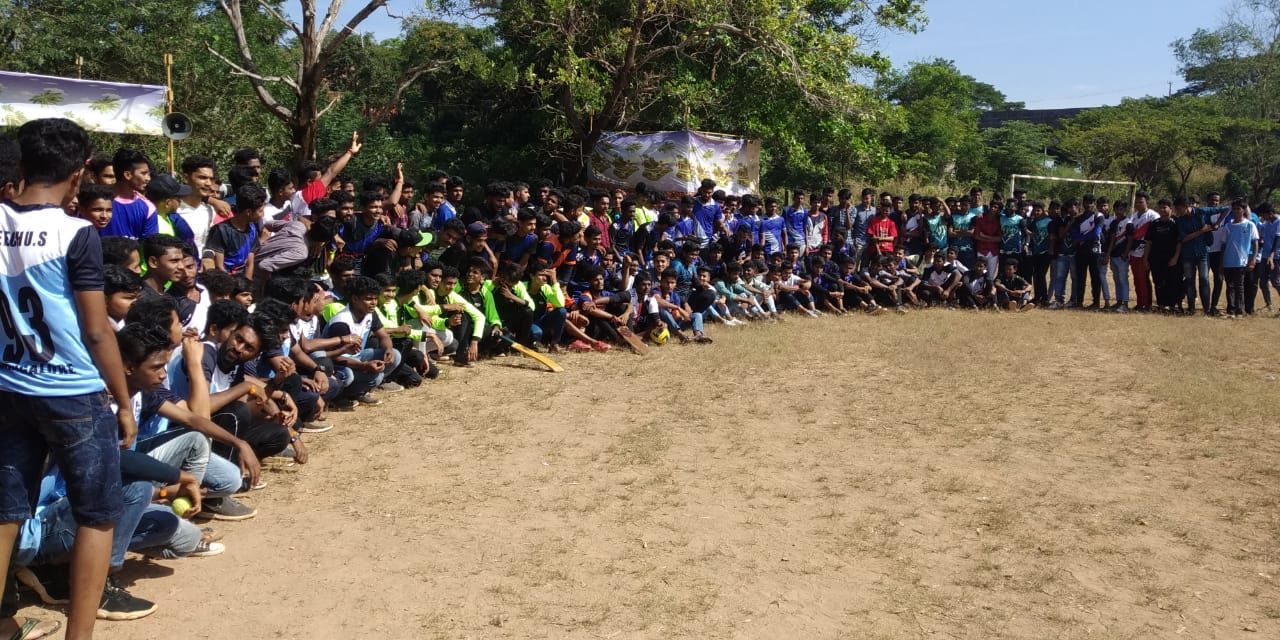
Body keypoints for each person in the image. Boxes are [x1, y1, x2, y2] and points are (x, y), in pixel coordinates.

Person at [0, 118, 136, 640]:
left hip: (10, 385)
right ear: (79, 174)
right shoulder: (76, 233)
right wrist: (123, 400)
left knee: (5, 512)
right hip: (71, 390)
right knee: (97, 515)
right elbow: (97, 330)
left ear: (22, 164)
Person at [206, 184, 267, 277]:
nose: (262, 215)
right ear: (248, 212)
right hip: (225, 279)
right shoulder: (221, 231)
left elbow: (249, 264)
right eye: (260, 211)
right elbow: (219, 267)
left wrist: (247, 283)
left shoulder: (252, 229)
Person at [1222, 198, 1260, 318]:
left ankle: (1240, 310)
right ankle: (1231, 310)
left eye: (1238, 209)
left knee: (1239, 286)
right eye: (1234, 209)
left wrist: (1253, 259)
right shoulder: (1228, 226)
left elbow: (1255, 243)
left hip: (1241, 261)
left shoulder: (1250, 225)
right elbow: (1223, 244)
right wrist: (1221, 261)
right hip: (1228, 261)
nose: (1236, 211)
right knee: (1229, 286)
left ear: (1243, 210)